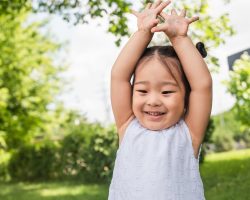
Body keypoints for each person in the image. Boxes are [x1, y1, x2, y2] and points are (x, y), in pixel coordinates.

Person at [108, 0, 212, 199]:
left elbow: (202, 85)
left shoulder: (189, 134)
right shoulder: (127, 127)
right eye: (142, 91)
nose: (153, 100)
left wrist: (179, 39)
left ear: (186, 97)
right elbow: (119, 76)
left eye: (166, 92)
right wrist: (143, 33)